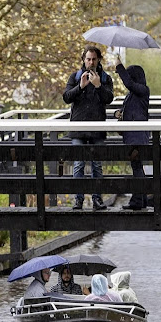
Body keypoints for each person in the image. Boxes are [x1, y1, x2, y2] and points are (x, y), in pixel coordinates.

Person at [63, 46, 114, 211]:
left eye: (94, 59)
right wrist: (81, 86)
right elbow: (66, 98)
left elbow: (109, 99)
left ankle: (97, 199)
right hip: (78, 126)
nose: (91, 62)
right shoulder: (75, 77)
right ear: (83, 60)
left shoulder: (105, 78)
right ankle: (78, 199)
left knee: (96, 164)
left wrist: (98, 86)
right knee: (78, 164)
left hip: (97, 127)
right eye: (88, 59)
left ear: (98, 60)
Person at [113, 54, 150, 210]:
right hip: (133, 135)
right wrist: (118, 113)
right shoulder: (134, 94)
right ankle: (140, 201)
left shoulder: (142, 90)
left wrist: (119, 66)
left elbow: (128, 83)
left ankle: (137, 201)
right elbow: (129, 109)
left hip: (137, 136)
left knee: (136, 167)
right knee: (137, 166)